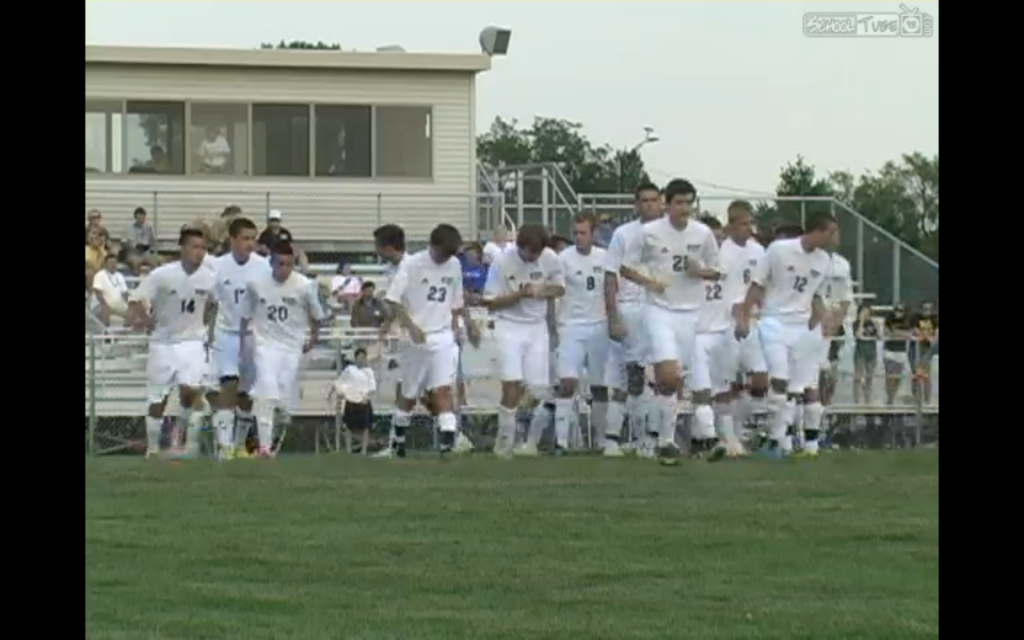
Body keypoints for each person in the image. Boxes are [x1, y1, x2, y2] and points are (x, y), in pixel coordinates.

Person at [626, 179, 720, 464]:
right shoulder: (650, 232)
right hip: (660, 310)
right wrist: (650, 282)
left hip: (691, 312)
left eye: (688, 203)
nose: (684, 208)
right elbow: (626, 267)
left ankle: (664, 440)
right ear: (667, 203)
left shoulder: (703, 233)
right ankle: (665, 439)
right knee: (669, 374)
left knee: (675, 382)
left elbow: (716, 271)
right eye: (678, 203)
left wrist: (701, 272)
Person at [736, 211, 837, 458]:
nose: (835, 239)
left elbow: (815, 296)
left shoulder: (824, 260)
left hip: (802, 327)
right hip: (774, 322)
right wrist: (743, 317)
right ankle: (775, 438)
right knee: (779, 379)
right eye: (832, 233)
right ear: (818, 231)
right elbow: (757, 284)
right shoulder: (779, 250)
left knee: (796, 388)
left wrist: (822, 320)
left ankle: (780, 441)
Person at [382, 224, 481, 457]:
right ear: (432, 246)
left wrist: (461, 325)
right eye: (442, 253)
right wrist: (411, 326)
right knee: (409, 393)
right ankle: (398, 442)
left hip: (443, 336)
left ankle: (448, 443)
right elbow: (394, 300)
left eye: (449, 255)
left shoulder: (454, 265)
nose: (445, 259)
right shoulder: (412, 264)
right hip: (416, 337)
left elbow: (456, 301)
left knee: (443, 390)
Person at [517, 213, 609, 456]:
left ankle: (601, 441)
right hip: (571, 326)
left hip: (599, 326)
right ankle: (561, 442)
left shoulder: (605, 257)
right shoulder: (562, 259)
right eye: (576, 233)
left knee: (600, 387)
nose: (579, 238)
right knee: (567, 384)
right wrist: (552, 327)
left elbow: (611, 290)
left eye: (583, 233)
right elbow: (553, 291)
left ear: (594, 234)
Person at [126, 227, 217, 458]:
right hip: (163, 344)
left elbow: (215, 303)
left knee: (193, 393)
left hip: (193, 343)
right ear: (183, 248)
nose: (200, 252)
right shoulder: (162, 275)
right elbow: (136, 300)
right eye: (195, 247)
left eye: (203, 248)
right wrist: (147, 321)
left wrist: (209, 327)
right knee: (158, 399)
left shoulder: (209, 276)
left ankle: (188, 447)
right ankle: (154, 449)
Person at [483, 223, 566, 458]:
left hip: (537, 327)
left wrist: (543, 291)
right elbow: (490, 301)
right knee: (512, 383)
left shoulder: (550, 258)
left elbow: (560, 289)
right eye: (530, 253)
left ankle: (521, 436)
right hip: (508, 324)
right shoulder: (502, 261)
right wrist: (520, 294)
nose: (534, 258)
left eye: (537, 253)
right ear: (519, 246)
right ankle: (504, 444)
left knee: (536, 389)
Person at [240, 241, 325, 457]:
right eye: (280, 263)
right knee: (266, 391)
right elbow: (246, 315)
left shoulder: (304, 285)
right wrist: (244, 341)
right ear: (271, 262)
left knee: (281, 402)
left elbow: (316, 317)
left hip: (291, 347)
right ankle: (264, 448)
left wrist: (313, 339)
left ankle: (265, 430)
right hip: (265, 344)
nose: (284, 269)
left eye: (289, 264)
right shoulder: (255, 284)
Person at [603, 181, 662, 457]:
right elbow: (610, 276)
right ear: (636, 204)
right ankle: (632, 437)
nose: (649, 205)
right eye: (644, 201)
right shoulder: (623, 234)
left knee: (660, 376)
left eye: (654, 200)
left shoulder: (673, 234)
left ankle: (649, 436)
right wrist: (613, 315)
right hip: (631, 308)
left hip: (663, 310)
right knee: (632, 375)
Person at [208, 217, 272, 459]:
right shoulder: (217, 266)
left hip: (252, 336)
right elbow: (208, 300)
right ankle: (223, 447)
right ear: (232, 239)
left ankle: (238, 444)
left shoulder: (263, 266)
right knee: (229, 384)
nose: (250, 243)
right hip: (226, 334)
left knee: (245, 395)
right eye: (245, 238)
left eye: (253, 238)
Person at [691, 216, 745, 460]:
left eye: (718, 237)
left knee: (724, 390)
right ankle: (709, 439)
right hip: (697, 334)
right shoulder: (687, 264)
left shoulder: (727, 264)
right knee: (701, 390)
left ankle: (728, 437)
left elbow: (734, 298)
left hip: (723, 332)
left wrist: (739, 321)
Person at [718, 201, 768, 439]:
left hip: (753, 319)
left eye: (750, 223)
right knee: (727, 383)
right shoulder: (722, 252)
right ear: (731, 225)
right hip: (728, 321)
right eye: (743, 224)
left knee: (760, 379)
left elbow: (761, 285)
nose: (748, 228)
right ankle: (728, 436)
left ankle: (740, 427)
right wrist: (738, 315)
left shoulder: (758, 251)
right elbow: (725, 292)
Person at [371, 224, 407, 458]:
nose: (376, 251)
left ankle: (454, 434)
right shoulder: (391, 269)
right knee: (403, 387)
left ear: (388, 246)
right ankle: (397, 444)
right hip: (402, 333)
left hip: (413, 334)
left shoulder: (410, 267)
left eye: (377, 246)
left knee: (417, 389)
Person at [331, 348, 377, 454]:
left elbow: (373, 388)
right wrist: (339, 393)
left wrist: (366, 396)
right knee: (349, 426)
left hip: (363, 402)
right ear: (355, 358)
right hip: (351, 401)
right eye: (359, 357)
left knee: (366, 427)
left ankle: (364, 450)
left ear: (365, 359)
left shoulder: (369, 372)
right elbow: (339, 382)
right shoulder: (350, 370)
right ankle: (348, 449)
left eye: (363, 358)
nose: (361, 360)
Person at [908, 300, 938, 405]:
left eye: (929, 309)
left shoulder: (934, 319)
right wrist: (925, 336)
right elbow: (913, 331)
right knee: (916, 374)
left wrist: (932, 339)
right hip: (915, 349)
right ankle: (916, 398)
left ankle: (927, 400)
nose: (927, 311)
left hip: (926, 350)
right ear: (921, 309)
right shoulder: (916, 318)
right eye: (925, 309)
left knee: (926, 375)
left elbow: (936, 334)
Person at [882, 303, 912, 405]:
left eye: (901, 310)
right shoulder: (889, 319)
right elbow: (886, 333)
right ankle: (889, 398)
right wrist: (900, 334)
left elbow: (909, 335)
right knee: (890, 375)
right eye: (896, 310)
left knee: (897, 377)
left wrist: (895, 332)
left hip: (901, 351)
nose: (898, 312)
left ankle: (893, 395)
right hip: (889, 350)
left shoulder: (907, 322)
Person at [91, 254, 129, 326]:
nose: (113, 265)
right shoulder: (100, 275)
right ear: (105, 264)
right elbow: (98, 292)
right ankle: (105, 335)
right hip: (101, 304)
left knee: (133, 310)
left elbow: (125, 293)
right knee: (105, 309)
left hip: (117, 305)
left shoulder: (120, 276)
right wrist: (105, 304)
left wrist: (130, 304)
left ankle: (123, 335)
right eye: (110, 263)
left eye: (114, 263)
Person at [852, 304, 879, 405]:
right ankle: (856, 400)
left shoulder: (873, 323)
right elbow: (858, 335)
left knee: (869, 377)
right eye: (863, 312)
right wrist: (861, 321)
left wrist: (877, 326)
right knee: (858, 377)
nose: (866, 315)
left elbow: (879, 336)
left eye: (867, 313)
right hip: (860, 352)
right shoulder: (856, 323)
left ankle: (867, 399)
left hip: (871, 353)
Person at [122, 207, 157, 275]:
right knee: (135, 263)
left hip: (145, 254)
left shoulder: (148, 228)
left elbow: (152, 243)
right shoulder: (129, 228)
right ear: (135, 218)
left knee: (156, 261)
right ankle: (136, 282)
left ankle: (153, 281)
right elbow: (123, 242)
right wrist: (132, 246)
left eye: (143, 218)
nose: (141, 220)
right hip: (134, 254)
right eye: (139, 218)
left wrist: (152, 234)